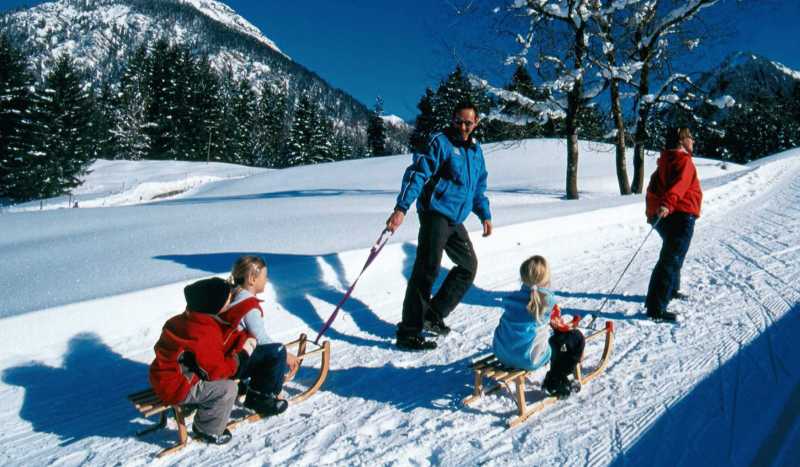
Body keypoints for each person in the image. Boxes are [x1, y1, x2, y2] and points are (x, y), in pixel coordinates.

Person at [386, 101, 492, 350]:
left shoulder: (476, 151)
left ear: (476, 123)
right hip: (435, 213)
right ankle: (409, 331)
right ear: (453, 120)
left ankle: (432, 315)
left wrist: (484, 214)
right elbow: (417, 174)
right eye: (459, 121)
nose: (463, 127)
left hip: (456, 219)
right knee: (427, 269)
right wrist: (401, 208)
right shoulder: (440, 142)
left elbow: (478, 187)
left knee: (468, 266)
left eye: (468, 122)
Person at [149, 277, 255, 445]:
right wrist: (241, 356)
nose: (230, 301)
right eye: (227, 299)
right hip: (177, 388)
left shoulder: (182, 320)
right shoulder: (203, 332)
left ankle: (194, 404)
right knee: (228, 388)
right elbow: (217, 372)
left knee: (213, 377)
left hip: (162, 377)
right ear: (213, 304)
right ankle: (208, 429)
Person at [492, 255, 585, 399]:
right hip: (528, 359)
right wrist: (568, 325)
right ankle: (555, 379)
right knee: (573, 338)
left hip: (500, 352)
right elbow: (559, 326)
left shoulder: (510, 298)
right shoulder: (548, 300)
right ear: (547, 278)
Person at [644, 127, 703, 322]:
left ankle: (671, 289)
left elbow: (653, 188)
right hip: (681, 214)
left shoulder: (664, 161)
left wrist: (653, 213)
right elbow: (680, 185)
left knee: (673, 254)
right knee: (670, 258)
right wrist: (666, 205)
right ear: (682, 140)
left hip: (666, 216)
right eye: (690, 137)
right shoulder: (683, 161)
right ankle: (656, 308)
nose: (693, 141)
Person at [228, 255, 299, 415]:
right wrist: (286, 354)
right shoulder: (248, 305)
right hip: (237, 363)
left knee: (265, 349)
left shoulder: (232, 296)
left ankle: (245, 385)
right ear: (252, 279)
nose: (266, 281)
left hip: (229, 357)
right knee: (277, 351)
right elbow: (261, 340)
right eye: (264, 277)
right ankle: (261, 397)